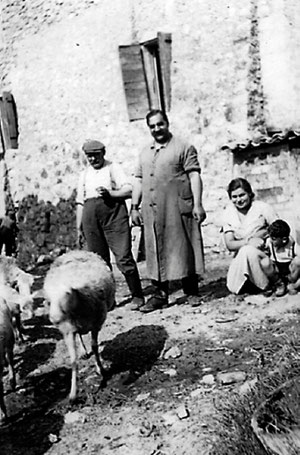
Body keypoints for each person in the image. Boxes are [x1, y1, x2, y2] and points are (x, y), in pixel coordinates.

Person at [131, 109, 206, 313]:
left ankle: (191, 291)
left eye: (160, 124)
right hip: (152, 211)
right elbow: (138, 180)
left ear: (167, 123)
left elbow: (194, 176)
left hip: (177, 206)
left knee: (184, 246)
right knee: (155, 250)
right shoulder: (145, 152)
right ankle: (159, 295)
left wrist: (198, 204)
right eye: (152, 126)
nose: (157, 129)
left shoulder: (184, 147)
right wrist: (134, 207)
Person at [76, 140, 144, 309]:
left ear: (103, 153)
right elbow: (80, 203)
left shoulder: (113, 168)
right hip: (90, 219)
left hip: (113, 215)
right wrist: (79, 228)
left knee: (123, 256)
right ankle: (108, 300)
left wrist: (111, 193)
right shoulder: (84, 174)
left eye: (96, 155)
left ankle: (137, 295)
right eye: (89, 156)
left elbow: (129, 190)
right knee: (100, 262)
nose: (92, 159)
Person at [222, 177, 277, 294]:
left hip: (264, 254)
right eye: (234, 197)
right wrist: (249, 241)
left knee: (250, 252)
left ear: (250, 193)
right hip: (241, 259)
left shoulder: (262, 207)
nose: (239, 200)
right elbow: (230, 244)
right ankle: (252, 283)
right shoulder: (229, 213)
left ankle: (266, 284)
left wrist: (263, 233)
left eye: (242, 195)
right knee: (246, 251)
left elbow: (279, 228)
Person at [262, 219, 299, 297]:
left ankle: (291, 284)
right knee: (265, 262)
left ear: (284, 239)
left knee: (298, 261)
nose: (271, 240)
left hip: (290, 272)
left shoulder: (293, 246)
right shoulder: (269, 242)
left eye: (274, 239)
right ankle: (279, 284)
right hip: (277, 272)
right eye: (271, 237)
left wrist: (297, 284)